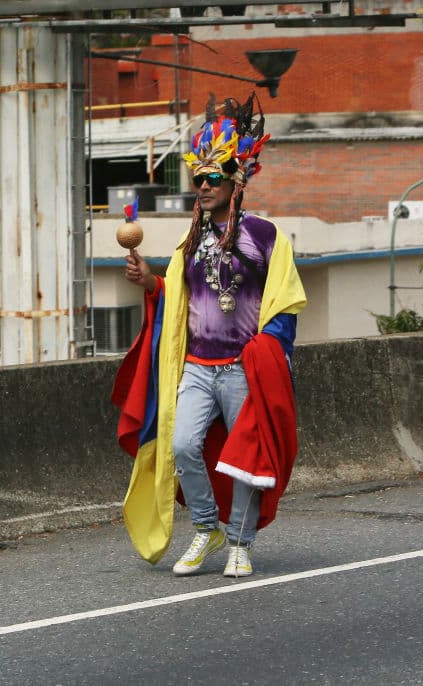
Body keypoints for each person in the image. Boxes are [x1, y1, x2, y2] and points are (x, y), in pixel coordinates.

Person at [111, 94, 307, 577]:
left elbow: (285, 303)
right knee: (182, 446)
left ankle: (240, 541)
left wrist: (267, 352)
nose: (201, 185)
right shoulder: (192, 236)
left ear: (236, 178)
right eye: (196, 178)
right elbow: (178, 298)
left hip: (243, 367)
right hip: (197, 367)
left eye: (210, 178)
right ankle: (206, 527)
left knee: (244, 459)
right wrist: (150, 282)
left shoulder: (266, 236)